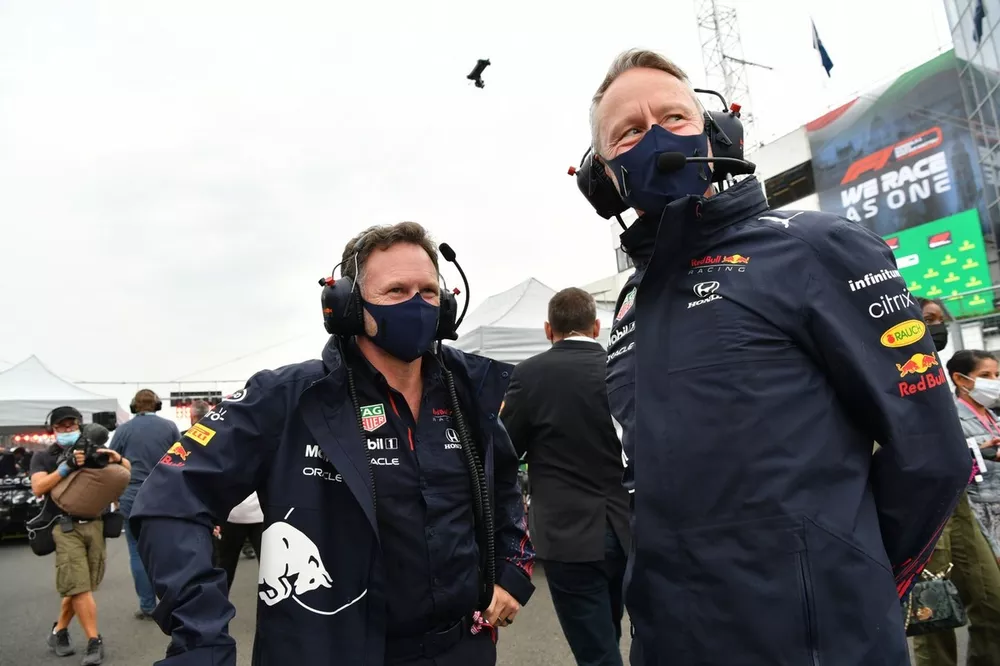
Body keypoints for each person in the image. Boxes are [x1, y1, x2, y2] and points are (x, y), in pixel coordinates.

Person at [590, 49, 970, 665]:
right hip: (671, 638)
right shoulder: (632, 302)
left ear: (716, 136)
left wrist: (849, 584)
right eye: (628, 131)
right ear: (603, 175)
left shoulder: (818, 248)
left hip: (820, 642)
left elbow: (931, 454)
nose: (656, 136)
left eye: (674, 117)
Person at [130, 221, 534, 666]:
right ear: (348, 304)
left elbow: (504, 486)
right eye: (396, 291)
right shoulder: (287, 397)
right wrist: (200, 639)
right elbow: (170, 498)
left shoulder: (467, 392)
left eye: (428, 292)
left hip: (461, 649)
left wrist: (512, 571)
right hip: (330, 650)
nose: (417, 304)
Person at [501, 287, 630, 666]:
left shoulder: (529, 375)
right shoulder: (620, 367)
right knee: (612, 630)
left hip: (566, 534)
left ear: (548, 329)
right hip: (627, 525)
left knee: (596, 649)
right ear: (596, 327)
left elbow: (505, 450)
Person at [913, 302, 1000, 665]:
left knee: (993, 601)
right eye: (928, 320)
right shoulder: (886, 368)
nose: (938, 329)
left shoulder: (931, 373)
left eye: (939, 321)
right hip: (921, 502)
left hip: (958, 503)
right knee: (933, 612)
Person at [30, 405, 131, 665]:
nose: (67, 429)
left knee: (81, 586)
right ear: (52, 429)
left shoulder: (93, 450)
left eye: (71, 424)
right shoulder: (44, 456)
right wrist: (66, 467)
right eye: (61, 426)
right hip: (64, 526)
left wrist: (117, 459)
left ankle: (59, 631)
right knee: (79, 586)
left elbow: (126, 468)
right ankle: (94, 641)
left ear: (79, 425)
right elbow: (38, 487)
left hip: (95, 524)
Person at [109, 389, 181, 620]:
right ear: (157, 405)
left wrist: (114, 496)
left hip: (132, 497)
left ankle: (148, 606)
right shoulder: (170, 427)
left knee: (137, 552)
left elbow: (110, 463)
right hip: (164, 496)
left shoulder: (123, 430)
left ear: (134, 407)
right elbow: (182, 459)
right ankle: (172, 602)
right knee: (166, 551)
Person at [948, 348, 1000, 556]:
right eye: (985, 375)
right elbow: (952, 460)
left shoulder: (993, 415)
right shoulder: (953, 420)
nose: (994, 381)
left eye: (997, 374)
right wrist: (981, 452)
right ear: (960, 379)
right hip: (981, 510)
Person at [213, 492, 264, 593]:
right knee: (223, 569)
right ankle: (216, 602)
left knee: (271, 571)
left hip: (262, 516)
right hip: (228, 517)